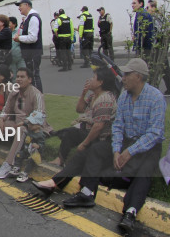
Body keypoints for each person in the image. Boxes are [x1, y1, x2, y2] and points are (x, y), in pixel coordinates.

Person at [35, 58, 165, 233]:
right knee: (95, 150)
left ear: (138, 77)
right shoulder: (124, 97)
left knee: (144, 171)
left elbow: (155, 133)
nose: (123, 78)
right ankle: (85, 192)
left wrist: (129, 152)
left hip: (148, 145)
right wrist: (117, 150)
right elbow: (118, 126)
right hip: (126, 141)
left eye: (127, 74)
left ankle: (130, 212)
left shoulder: (155, 98)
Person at [0, 67, 48, 180]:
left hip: (31, 127)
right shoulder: (15, 92)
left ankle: (9, 164)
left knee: (21, 130)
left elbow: (40, 114)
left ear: (30, 80)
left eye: (22, 77)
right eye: (17, 77)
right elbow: (6, 108)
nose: (19, 79)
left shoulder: (36, 94)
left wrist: (25, 122)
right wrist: (1, 119)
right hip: (15, 122)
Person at [48, 68, 118, 167]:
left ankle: (61, 160)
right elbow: (79, 109)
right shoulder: (94, 96)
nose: (90, 79)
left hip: (98, 137)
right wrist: (83, 93)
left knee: (70, 133)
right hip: (87, 129)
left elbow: (98, 127)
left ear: (100, 82)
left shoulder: (104, 99)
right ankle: (60, 156)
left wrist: (84, 144)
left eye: (93, 77)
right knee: (69, 132)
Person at [13, 0, 43, 92]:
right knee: (32, 77)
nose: (19, 8)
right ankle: (34, 96)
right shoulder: (29, 18)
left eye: (20, 5)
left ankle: (38, 97)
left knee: (34, 76)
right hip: (30, 53)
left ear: (27, 5)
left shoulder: (33, 18)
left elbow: (33, 38)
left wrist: (19, 38)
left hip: (33, 53)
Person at [12, 110, 48, 183]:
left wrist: (38, 146)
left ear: (38, 125)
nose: (29, 125)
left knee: (31, 161)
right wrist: (22, 123)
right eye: (29, 123)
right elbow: (26, 123)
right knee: (19, 154)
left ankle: (25, 173)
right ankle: (16, 167)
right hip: (27, 150)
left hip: (34, 153)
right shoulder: (30, 128)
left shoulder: (40, 135)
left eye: (32, 124)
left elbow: (42, 144)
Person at [8, 16, 26, 81]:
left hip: (20, 58)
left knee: (23, 73)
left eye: (9, 23)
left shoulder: (20, 31)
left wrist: (19, 39)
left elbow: (25, 42)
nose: (7, 24)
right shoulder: (7, 32)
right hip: (10, 58)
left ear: (14, 24)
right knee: (13, 76)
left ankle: (23, 86)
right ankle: (15, 87)